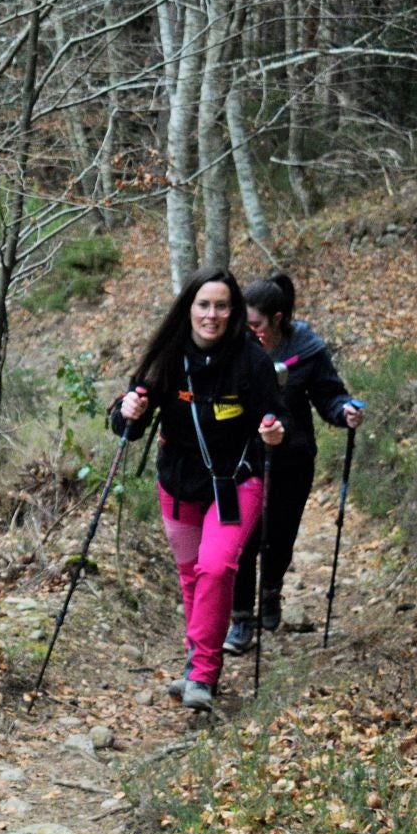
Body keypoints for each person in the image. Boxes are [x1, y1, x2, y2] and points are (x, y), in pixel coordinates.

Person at [112, 268, 287, 711]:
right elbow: (128, 423)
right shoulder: (168, 356)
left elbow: (273, 417)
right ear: (189, 308)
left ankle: (203, 675)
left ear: (234, 311)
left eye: (221, 306)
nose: (212, 315)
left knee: (216, 566)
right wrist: (128, 409)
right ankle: (197, 664)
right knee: (192, 577)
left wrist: (273, 432)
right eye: (203, 305)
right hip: (178, 481)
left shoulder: (251, 359)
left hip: (236, 481)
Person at [222, 273, 364, 654]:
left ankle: (271, 591)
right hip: (242, 459)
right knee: (242, 540)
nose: (250, 332)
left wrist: (344, 411)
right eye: (244, 324)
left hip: (292, 458)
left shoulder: (306, 349)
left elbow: (329, 395)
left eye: (256, 325)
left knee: (279, 538)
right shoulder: (232, 348)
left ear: (279, 318)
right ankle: (240, 620)